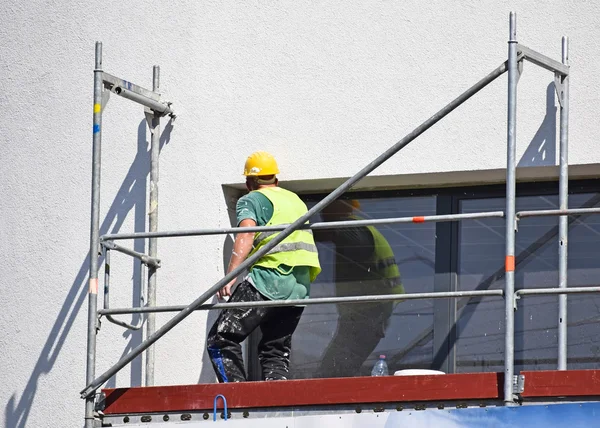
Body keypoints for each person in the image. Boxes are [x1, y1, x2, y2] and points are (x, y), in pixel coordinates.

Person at [206, 151, 321, 382]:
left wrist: (231, 277)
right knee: (275, 351)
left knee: (221, 339)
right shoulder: (295, 200)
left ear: (250, 182)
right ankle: (274, 401)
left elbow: (246, 233)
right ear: (275, 180)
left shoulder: (251, 199)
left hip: (270, 279)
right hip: (299, 287)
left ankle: (238, 398)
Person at [314, 199, 404, 378]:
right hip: (370, 309)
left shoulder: (353, 230)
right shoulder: (364, 228)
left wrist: (296, 230)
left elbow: (332, 234)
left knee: (333, 371)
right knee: (338, 366)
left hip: (367, 310)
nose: (322, 216)